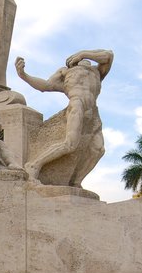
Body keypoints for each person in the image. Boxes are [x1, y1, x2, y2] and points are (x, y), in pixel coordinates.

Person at [15, 49, 114, 184]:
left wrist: (84, 53)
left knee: (98, 150)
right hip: (77, 105)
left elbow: (108, 55)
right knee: (70, 144)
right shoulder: (66, 72)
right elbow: (45, 86)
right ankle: (35, 164)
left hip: (93, 112)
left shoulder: (98, 71)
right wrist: (23, 75)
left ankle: (76, 182)